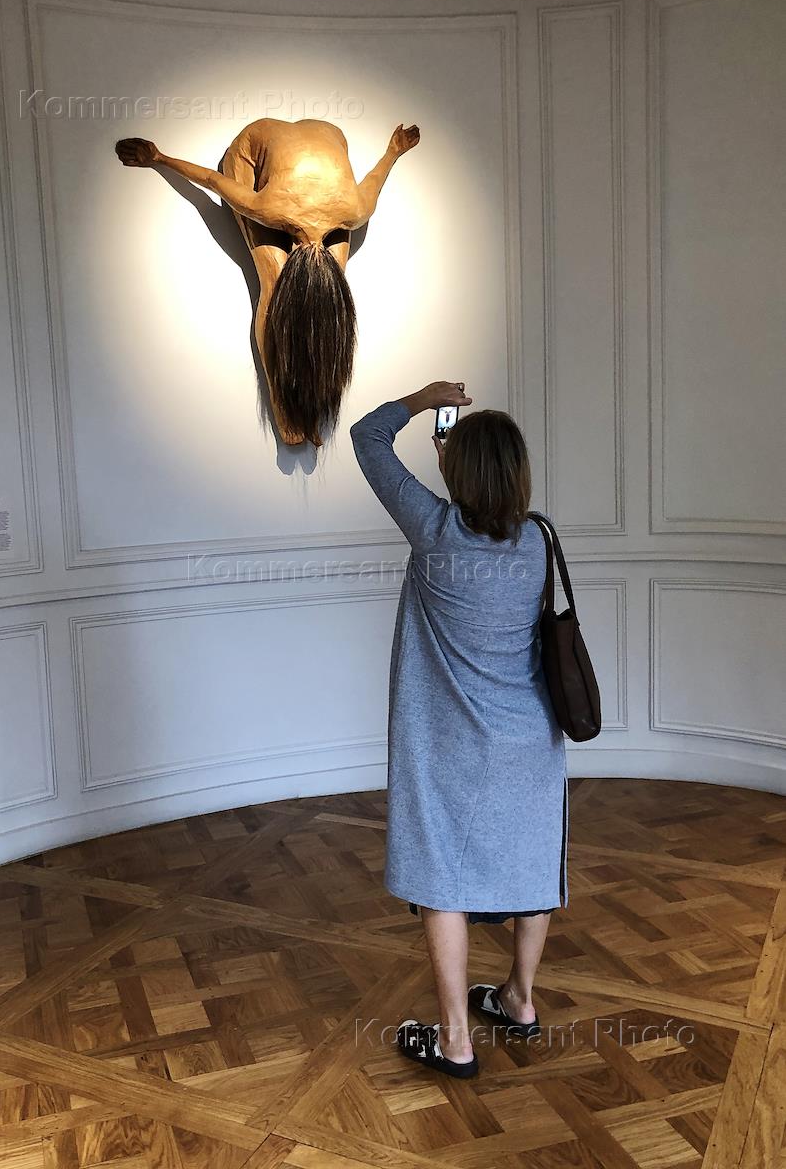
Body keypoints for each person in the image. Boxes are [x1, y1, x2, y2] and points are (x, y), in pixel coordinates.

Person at [350, 381, 569, 1078]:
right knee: (533, 868)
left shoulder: (434, 531)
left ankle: (455, 1041)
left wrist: (423, 400)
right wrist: (460, 462)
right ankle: (520, 999)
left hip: (450, 746)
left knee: (442, 877)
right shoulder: (536, 540)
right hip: (532, 738)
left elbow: (366, 437)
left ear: (457, 470)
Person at [114, 118, 420, 446]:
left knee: (333, 298)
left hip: (331, 162)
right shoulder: (266, 207)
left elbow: (374, 178)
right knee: (273, 286)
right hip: (252, 153)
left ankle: (315, 406)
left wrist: (394, 151)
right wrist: (159, 158)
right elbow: (212, 180)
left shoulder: (356, 210)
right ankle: (284, 407)